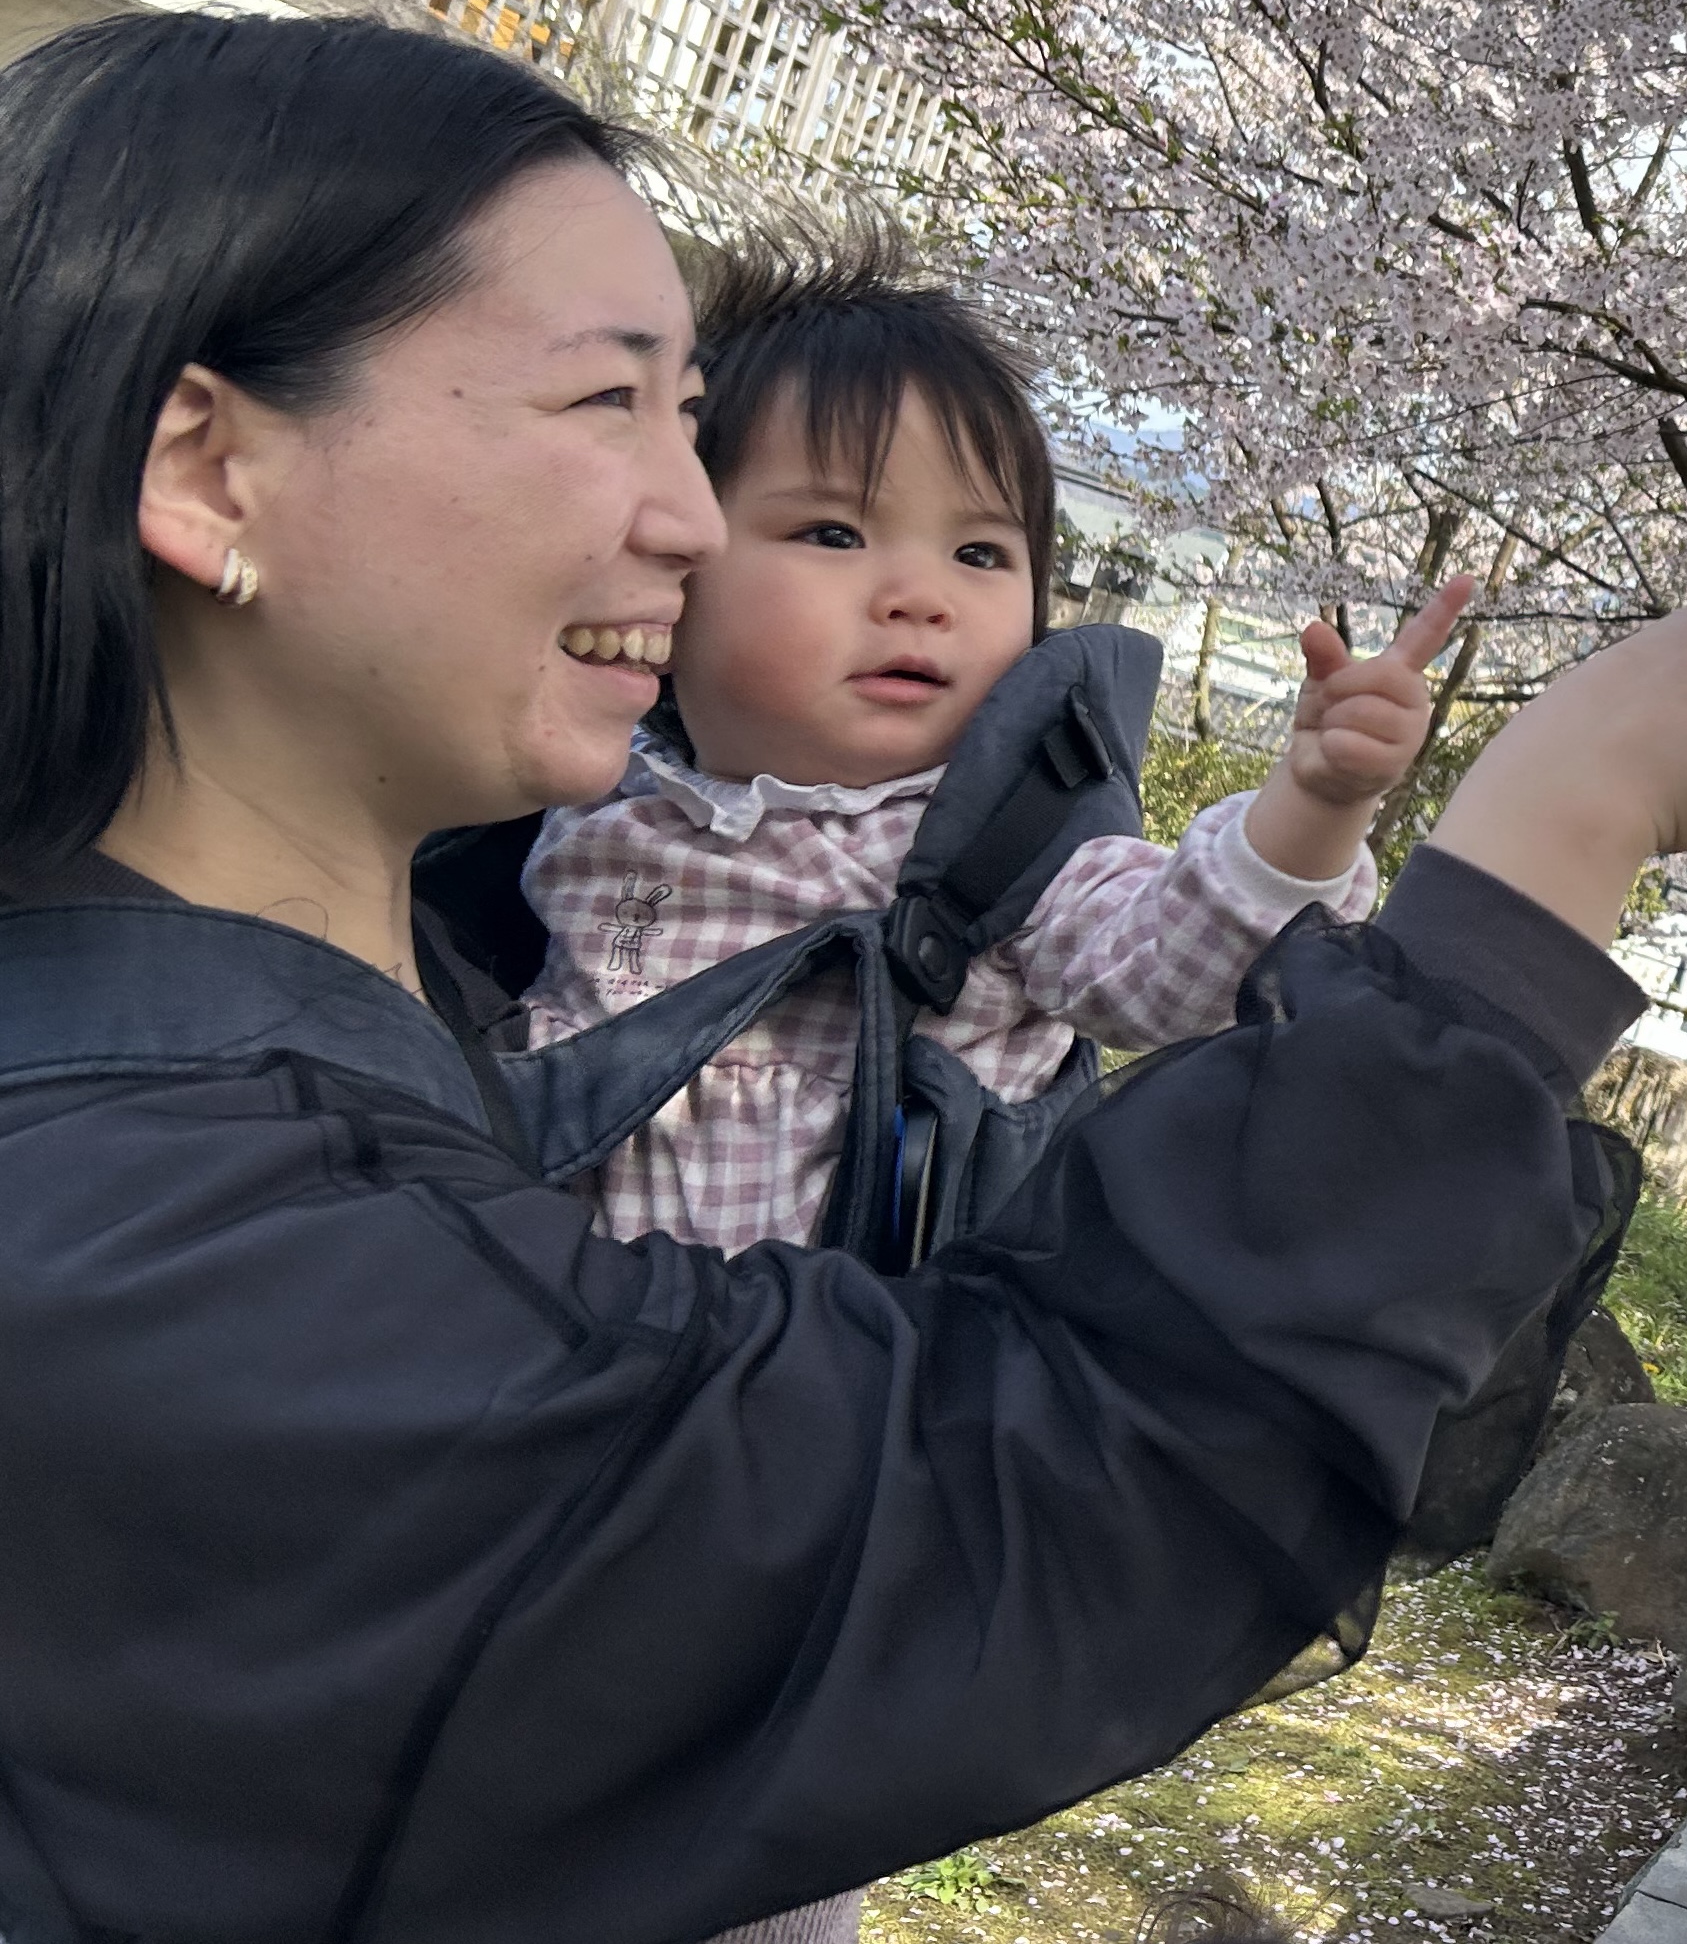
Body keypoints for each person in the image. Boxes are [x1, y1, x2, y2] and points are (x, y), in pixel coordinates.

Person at [0, 9, 1687, 1943]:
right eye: (609, 405)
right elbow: (1048, 1474)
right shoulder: (179, 1239)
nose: (681, 520)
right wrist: (1566, 813)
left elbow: (1155, 956)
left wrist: (1334, 822)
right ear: (210, 468)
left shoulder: (232, 1065)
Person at [522, 228, 1467, 1255]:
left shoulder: (1000, 861)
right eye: (835, 534)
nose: (922, 598)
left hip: (834, 1379)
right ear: (682, 557)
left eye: (980, 552)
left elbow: (1171, 963)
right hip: (562, 1347)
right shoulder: (586, 781)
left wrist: (1318, 808)